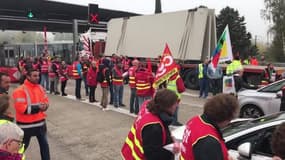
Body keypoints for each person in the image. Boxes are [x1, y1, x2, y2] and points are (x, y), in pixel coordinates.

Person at [121, 89, 180, 160]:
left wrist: (170, 138)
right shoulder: (153, 127)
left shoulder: (147, 106)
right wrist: (172, 150)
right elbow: (153, 156)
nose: (176, 106)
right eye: (174, 104)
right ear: (166, 106)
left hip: (130, 152)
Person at [180, 94, 239, 160]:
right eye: (230, 119)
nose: (229, 122)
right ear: (223, 118)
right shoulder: (209, 142)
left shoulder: (195, 120)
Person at [12, 68, 50, 160]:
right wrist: (39, 107)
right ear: (28, 76)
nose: (37, 78)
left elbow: (46, 102)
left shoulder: (40, 88)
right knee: (20, 149)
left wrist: (45, 106)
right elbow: (22, 109)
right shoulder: (19, 91)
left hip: (40, 124)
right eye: (35, 76)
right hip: (26, 126)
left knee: (45, 147)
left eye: (38, 75)